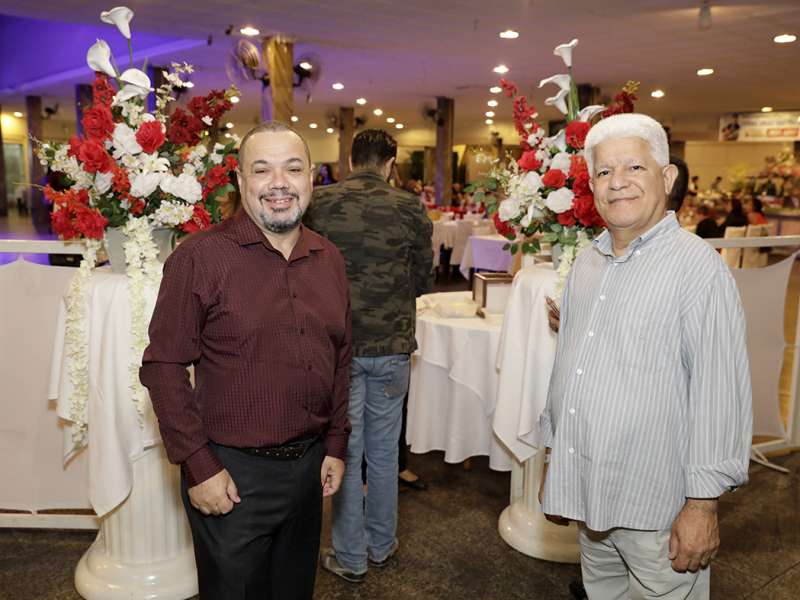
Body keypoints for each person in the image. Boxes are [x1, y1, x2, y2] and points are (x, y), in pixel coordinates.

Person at [539, 113, 752, 600]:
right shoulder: (590, 261)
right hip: (594, 495)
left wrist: (702, 506)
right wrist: (558, 464)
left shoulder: (697, 268)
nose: (618, 184)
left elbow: (720, 393)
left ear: (668, 177)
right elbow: (571, 369)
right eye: (604, 172)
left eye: (634, 167)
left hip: (658, 509)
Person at [140, 122, 352, 599]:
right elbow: (163, 366)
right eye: (263, 169)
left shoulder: (330, 258)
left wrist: (336, 443)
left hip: (308, 470)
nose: (279, 182)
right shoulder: (200, 258)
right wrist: (199, 465)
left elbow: (341, 356)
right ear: (240, 181)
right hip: (231, 476)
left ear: (311, 179)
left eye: (293, 168)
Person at [305, 129, 433, 583]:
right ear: (390, 162)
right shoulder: (409, 206)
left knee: (343, 450)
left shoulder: (321, 203)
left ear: (350, 159)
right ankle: (381, 545)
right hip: (393, 345)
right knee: (382, 453)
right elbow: (424, 277)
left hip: (338, 346)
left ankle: (350, 555)